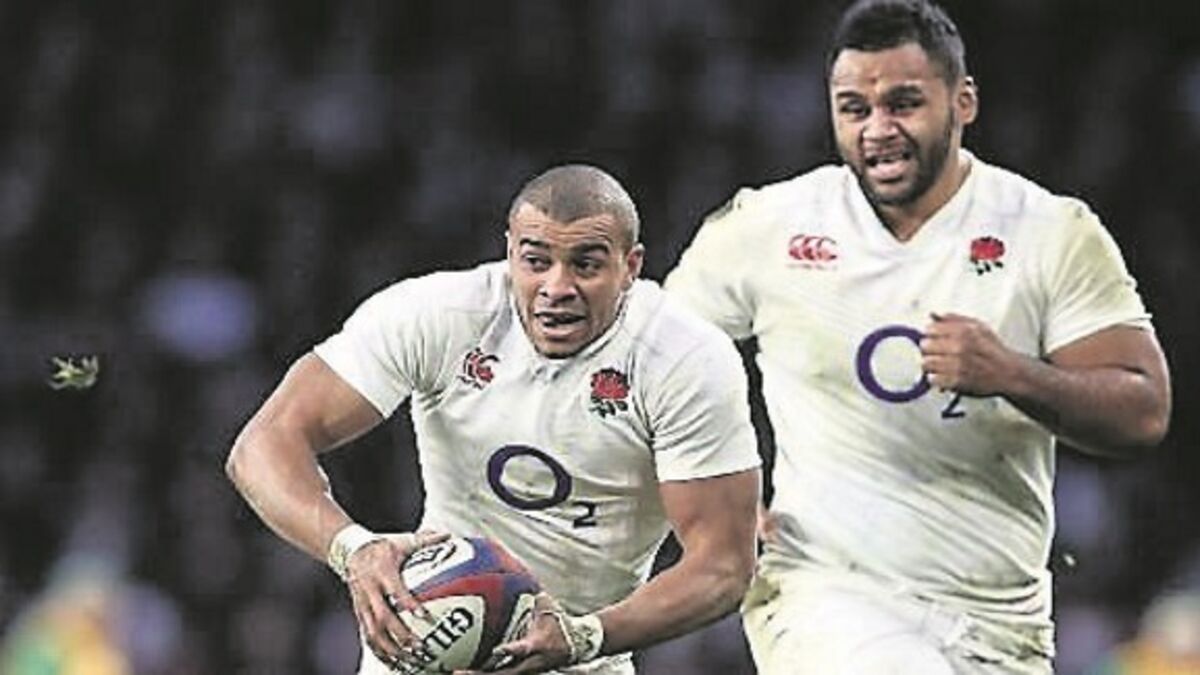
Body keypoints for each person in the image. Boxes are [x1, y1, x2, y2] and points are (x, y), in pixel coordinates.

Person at [664, 1, 1172, 673]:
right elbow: (653, 361)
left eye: (904, 104)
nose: (878, 129)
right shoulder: (770, 226)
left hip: (1000, 622)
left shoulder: (1050, 231)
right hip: (825, 591)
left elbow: (1143, 410)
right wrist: (714, 494)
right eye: (854, 109)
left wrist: (1013, 374)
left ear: (963, 102)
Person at [225, 164, 761, 674]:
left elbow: (723, 566)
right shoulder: (442, 315)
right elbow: (264, 444)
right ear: (509, 253)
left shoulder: (683, 360)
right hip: (429, 637)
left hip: (579, 654)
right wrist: (355, 550)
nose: (557, 287)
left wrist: (585, 636)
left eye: (586, 265)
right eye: (536, 261)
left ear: (631, 267)